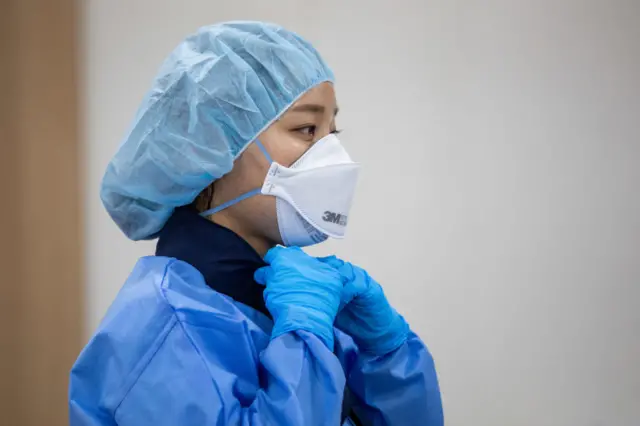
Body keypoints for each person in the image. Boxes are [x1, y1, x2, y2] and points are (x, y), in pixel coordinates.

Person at [69, 21, 443, 426]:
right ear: (212, 145)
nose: (333, 154)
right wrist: (303, 345)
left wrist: (387, 355)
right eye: (306, 129)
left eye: (331, 131)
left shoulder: (293, 308)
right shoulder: (162, 329)